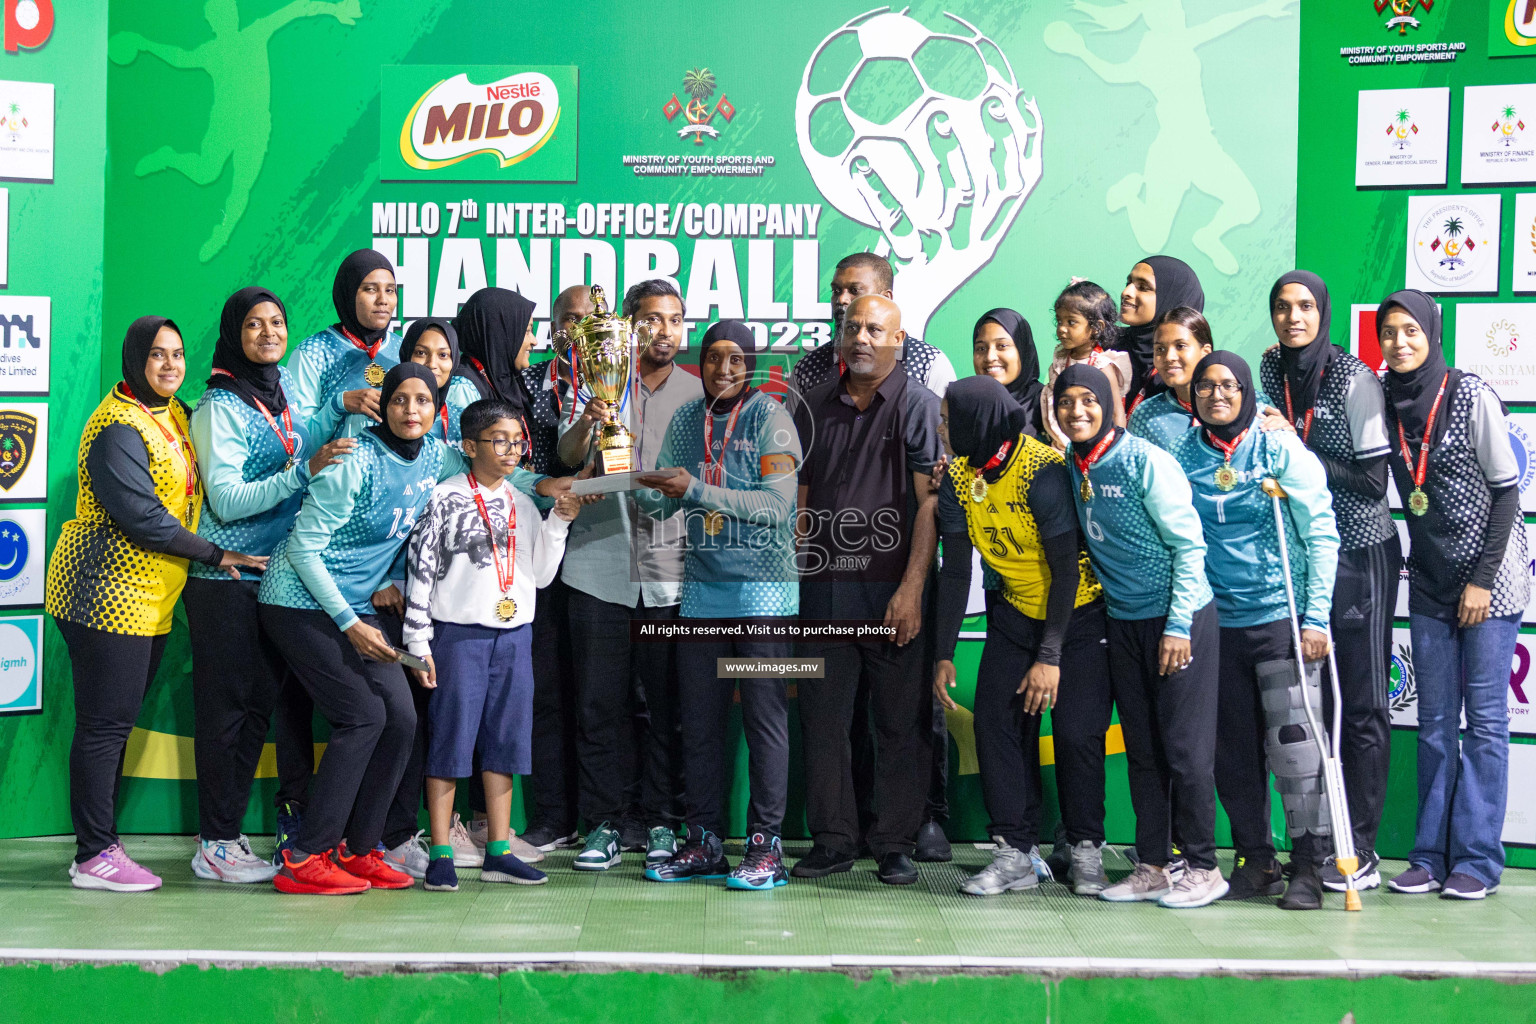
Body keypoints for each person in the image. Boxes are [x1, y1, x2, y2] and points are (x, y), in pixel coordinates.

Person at [45, 317, 267, 891]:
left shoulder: (175, 413)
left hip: (153, 597)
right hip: (104, 595)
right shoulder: (117, 426)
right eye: (157, 356)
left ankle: (101, 845)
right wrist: (220, 556)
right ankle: (94, 853)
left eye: (177, 354)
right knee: (104, 726)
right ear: (135, 360)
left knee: (114, 725)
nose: (170, 365)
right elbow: (143, 519)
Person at [257, 364, 471, 894]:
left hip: (354, 605)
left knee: (399, 719)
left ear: (436, 408)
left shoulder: (438, 455)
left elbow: (499, 471)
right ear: (384, 405)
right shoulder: (353, 460)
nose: (411, 410)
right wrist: (351, 623)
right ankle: (306, 855)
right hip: (297, 599)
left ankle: (358, 846)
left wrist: (556, 486)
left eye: (423, 399)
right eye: (400, 399)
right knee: (362, 717)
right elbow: (304, 549)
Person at [185, 288, 351, 884]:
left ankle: (228, 838)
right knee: (225, 715)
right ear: (235, 334)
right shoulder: (219, 406)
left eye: (276, 323)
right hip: (224, 580)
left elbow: (307, 442)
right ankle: (215, 842)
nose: (268, 333)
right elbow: (226, 503)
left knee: (258, 712)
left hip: (274, 579)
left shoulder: (281, 400)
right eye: (253, 325)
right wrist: (301, 473)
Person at [1169, 353, 1340, 910]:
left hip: (1278, 620)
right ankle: (1254, 858)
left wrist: (1315, 619)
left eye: (1228, 386)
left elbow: (1320, 535)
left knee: (1295, 751)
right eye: (1205, 387)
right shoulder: (1181, 456)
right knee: (1233, 752)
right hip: (1218, 624)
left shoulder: (1278, 448)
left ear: (1246, 391)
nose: (1216, 395)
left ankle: (1309, 866)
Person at [1052, 365, 1225, 908]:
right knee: (1145, 751)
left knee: (1185, 751)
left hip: (1180, 619)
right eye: (1066, 402)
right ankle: (1153, 864)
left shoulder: (1145, 460)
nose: (1077, 412)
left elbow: (1189, 548)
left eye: (1088, 401)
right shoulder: (1072, 463)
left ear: (1109, 403)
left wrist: (1177, 627)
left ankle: (1203, 866)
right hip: (1123, 623)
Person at [1376, 290, 1529, 901]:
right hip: (1434, 582)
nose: (1399, 342)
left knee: (1487, 725)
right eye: (1389, 332)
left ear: (1433, 334)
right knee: (1436, 726)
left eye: (1410, 330)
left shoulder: (1470, 393)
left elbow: (1508, 492)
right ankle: (1428, 857)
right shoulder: (1384, 400)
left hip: (1491, 583)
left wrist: (1482, 582)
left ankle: (1477, 861)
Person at [637, 320, 802, 890]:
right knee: (700, 722)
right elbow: (660, 509)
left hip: (764, 594)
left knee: (764, 721)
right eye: (712, 359)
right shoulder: (686, 419)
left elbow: (776, 507)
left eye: (736, 359)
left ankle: (766, 848)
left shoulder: (771, 419)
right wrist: (637, 486)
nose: (723, 370)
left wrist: (695, 491)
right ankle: (703, 841)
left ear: (751, 365)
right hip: (704, 594)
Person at [932, 376, 1112, 897]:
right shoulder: (960, 476)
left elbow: (1064, 570)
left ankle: (1086, 849)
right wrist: (943, 652)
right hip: (1012, 613)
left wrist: (1049, 656)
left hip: (1075, 614)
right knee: (996, 724)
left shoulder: (1043, 471)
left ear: (976, 421)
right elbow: (955, 570)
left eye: (948, 418)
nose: (941, 427)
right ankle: (1016, 854)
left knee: (1078, 733)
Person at [1258, 271, 1399, 894]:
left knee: (1361, 705)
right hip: (1305, 552)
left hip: (1361, 554)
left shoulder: (1354, 378)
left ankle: (1361, 848)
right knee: (1312, 706)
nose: (1294, 318)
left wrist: (1299, 451)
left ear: (1325, 313)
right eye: (1283, 307)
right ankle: (1319, 843)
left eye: (1307, 307)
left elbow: (1373, 482)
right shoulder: (1269, 368)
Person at [792, 294, 940, 886]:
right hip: (822, 590)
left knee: (899, 723)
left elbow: (930, 503)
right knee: (824, 721)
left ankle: (894, 842)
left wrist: (910, 591)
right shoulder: (812, 405)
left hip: (890, 591)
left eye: (876, 330)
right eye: (852, 328)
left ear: (899, 341)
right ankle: (832, 840)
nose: (861, 339)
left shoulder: (919, 405)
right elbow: (800, 495)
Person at [404, 399, 582, 892]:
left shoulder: (523, 503)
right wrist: (418, 641)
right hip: (458, 637)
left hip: (515, 636)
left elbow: (541, 575)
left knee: (506, 742)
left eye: (517, 441)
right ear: (469, 446)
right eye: (499, 440)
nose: (511, 450)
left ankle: (498, 850)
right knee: (450, 740)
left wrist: (560, 523)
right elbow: (419, 573)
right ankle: (441, 850)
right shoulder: (444, 498)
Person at [556, 279, 702, 870]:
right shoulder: (592, 382)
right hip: (598, 568)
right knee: (599, 704)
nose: (663, 331)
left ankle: (664, 821)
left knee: (666, 704)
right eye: (651, 320)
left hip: (673, 574)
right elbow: (568, 459)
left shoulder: (702, 392)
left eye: (674, 320)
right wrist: (591, 420)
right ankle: (605, 824)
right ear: (627, 326)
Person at [270, 249, 402, 854]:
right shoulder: (317, 354)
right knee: (301, 695)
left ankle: (359, 840)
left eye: (390, 289)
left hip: (365, 554)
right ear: (348, 293)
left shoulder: (397, 353)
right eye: (371, 289)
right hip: (309, 533)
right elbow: (288, 434)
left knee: (376, 714)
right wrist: (338, 406)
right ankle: (297, 819)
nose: (382, 299)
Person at [517, 284, 594, 854]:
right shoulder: (525, 383)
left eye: (588, 323)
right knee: (544, 691)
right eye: (566, 320)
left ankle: (608, 815)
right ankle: (551, 815)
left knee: (604, 692)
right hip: (536, 547)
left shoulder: (626, 384)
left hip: (603, 551)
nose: (575, 331)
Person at [789, 251, 956, 399]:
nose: (841, 299)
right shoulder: (807, 369)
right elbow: (797, 433)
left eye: (854, 290)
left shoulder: (928, 363)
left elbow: (944, 431)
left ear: (886, 297)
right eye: (836, 291)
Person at [1043, 281, 1129, 449]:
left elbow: (1117, 413)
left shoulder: (1101, 366)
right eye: (1059, 321)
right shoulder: (1060, 358)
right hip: (1058, 446)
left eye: (1071, 322)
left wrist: (1116, 450)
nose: (1061, 329)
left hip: (1092, 451)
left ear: (1097, 327)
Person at [1116, 254, 1204, 406]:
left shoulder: (1196, 372)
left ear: (1172, 298)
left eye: (1143, 287)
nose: (1126, 292)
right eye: (1128, 282)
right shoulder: (1103, 347)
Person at [400, 316, 461, 443]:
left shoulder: (463, 420)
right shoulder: (381, 415)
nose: (432, 364)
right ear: (407, 354)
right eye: (421, 353)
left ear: (454, 361)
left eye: (443, 355)